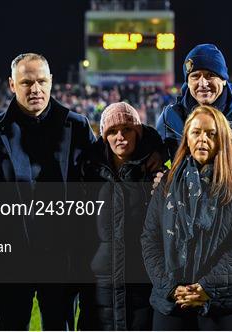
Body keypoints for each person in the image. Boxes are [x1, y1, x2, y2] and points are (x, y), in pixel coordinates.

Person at [0, 53, 96, 330]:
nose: (35, 89)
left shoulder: (78, 127)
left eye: (41, 81)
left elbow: (100, 186)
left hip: (64, 258)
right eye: (26, 82)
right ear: (12, 85)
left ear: (51, 82)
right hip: (10, 261)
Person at [142, 105, 232, 330]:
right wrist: (170, 287)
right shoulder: (167, 183)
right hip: (172, 299)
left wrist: (207, 287)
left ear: (222, 139)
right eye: (196, 132)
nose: (202, 139)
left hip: (226, 301)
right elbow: (150, 238)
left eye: (211, 133)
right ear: (186, 137)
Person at [77, 102, 166, 330]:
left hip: (143, 283)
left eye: (127, 129)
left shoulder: (156, 176)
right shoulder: (88, 174)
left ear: (137, 133)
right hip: (98, 285)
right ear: (104, 137)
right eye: (113, 131)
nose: (120, 137)